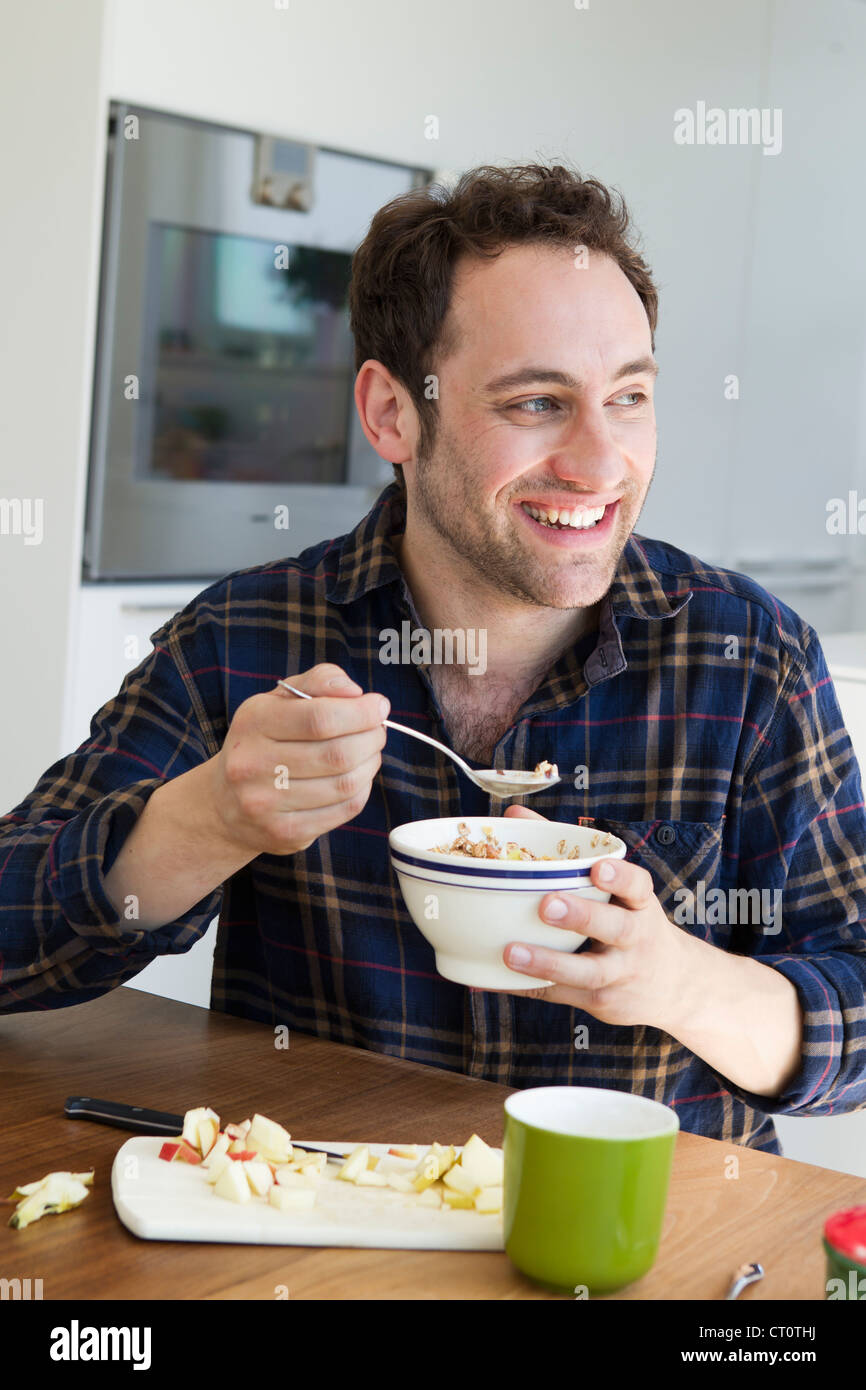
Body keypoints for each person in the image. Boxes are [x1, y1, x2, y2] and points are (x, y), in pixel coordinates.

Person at [1, 164, 864, 1155]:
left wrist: (677, 981)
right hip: (327, 1239)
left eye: (627, 396)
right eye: (536, 403)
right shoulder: (245, 640)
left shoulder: (748, 659)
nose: (598, 464)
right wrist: (202, 819)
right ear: (390, 415)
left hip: (644, 1246)